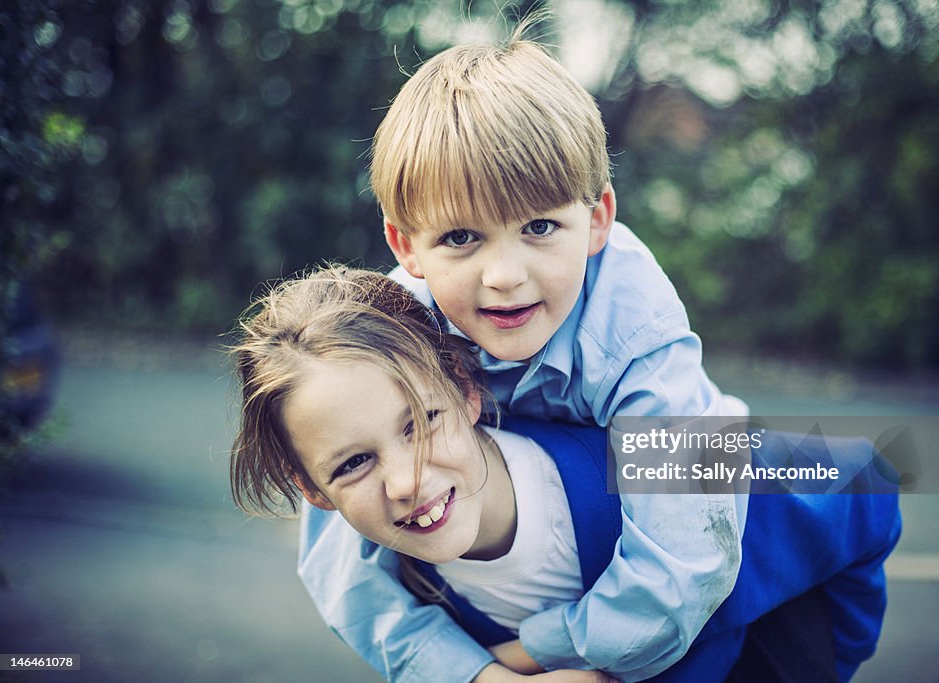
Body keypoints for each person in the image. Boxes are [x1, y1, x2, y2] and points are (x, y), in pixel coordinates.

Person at [301, 19, 754, 683]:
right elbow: (340, 565)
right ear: (407, 248)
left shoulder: (637, 321)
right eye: (461, 237)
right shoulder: (392, 333)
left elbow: (689, 561)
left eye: (539, 226)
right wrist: (472, 675)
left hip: (768, 558)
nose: (504, 276)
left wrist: (542, 651)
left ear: (598, 219)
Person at [229, 265, 901, 683]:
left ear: (464, 388)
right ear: (313, 491)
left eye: (419, 422)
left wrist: (814, 662)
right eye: (354, 462)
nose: (405, 480)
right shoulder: (399, 588)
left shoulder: (657, 464)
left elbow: (862, 480)